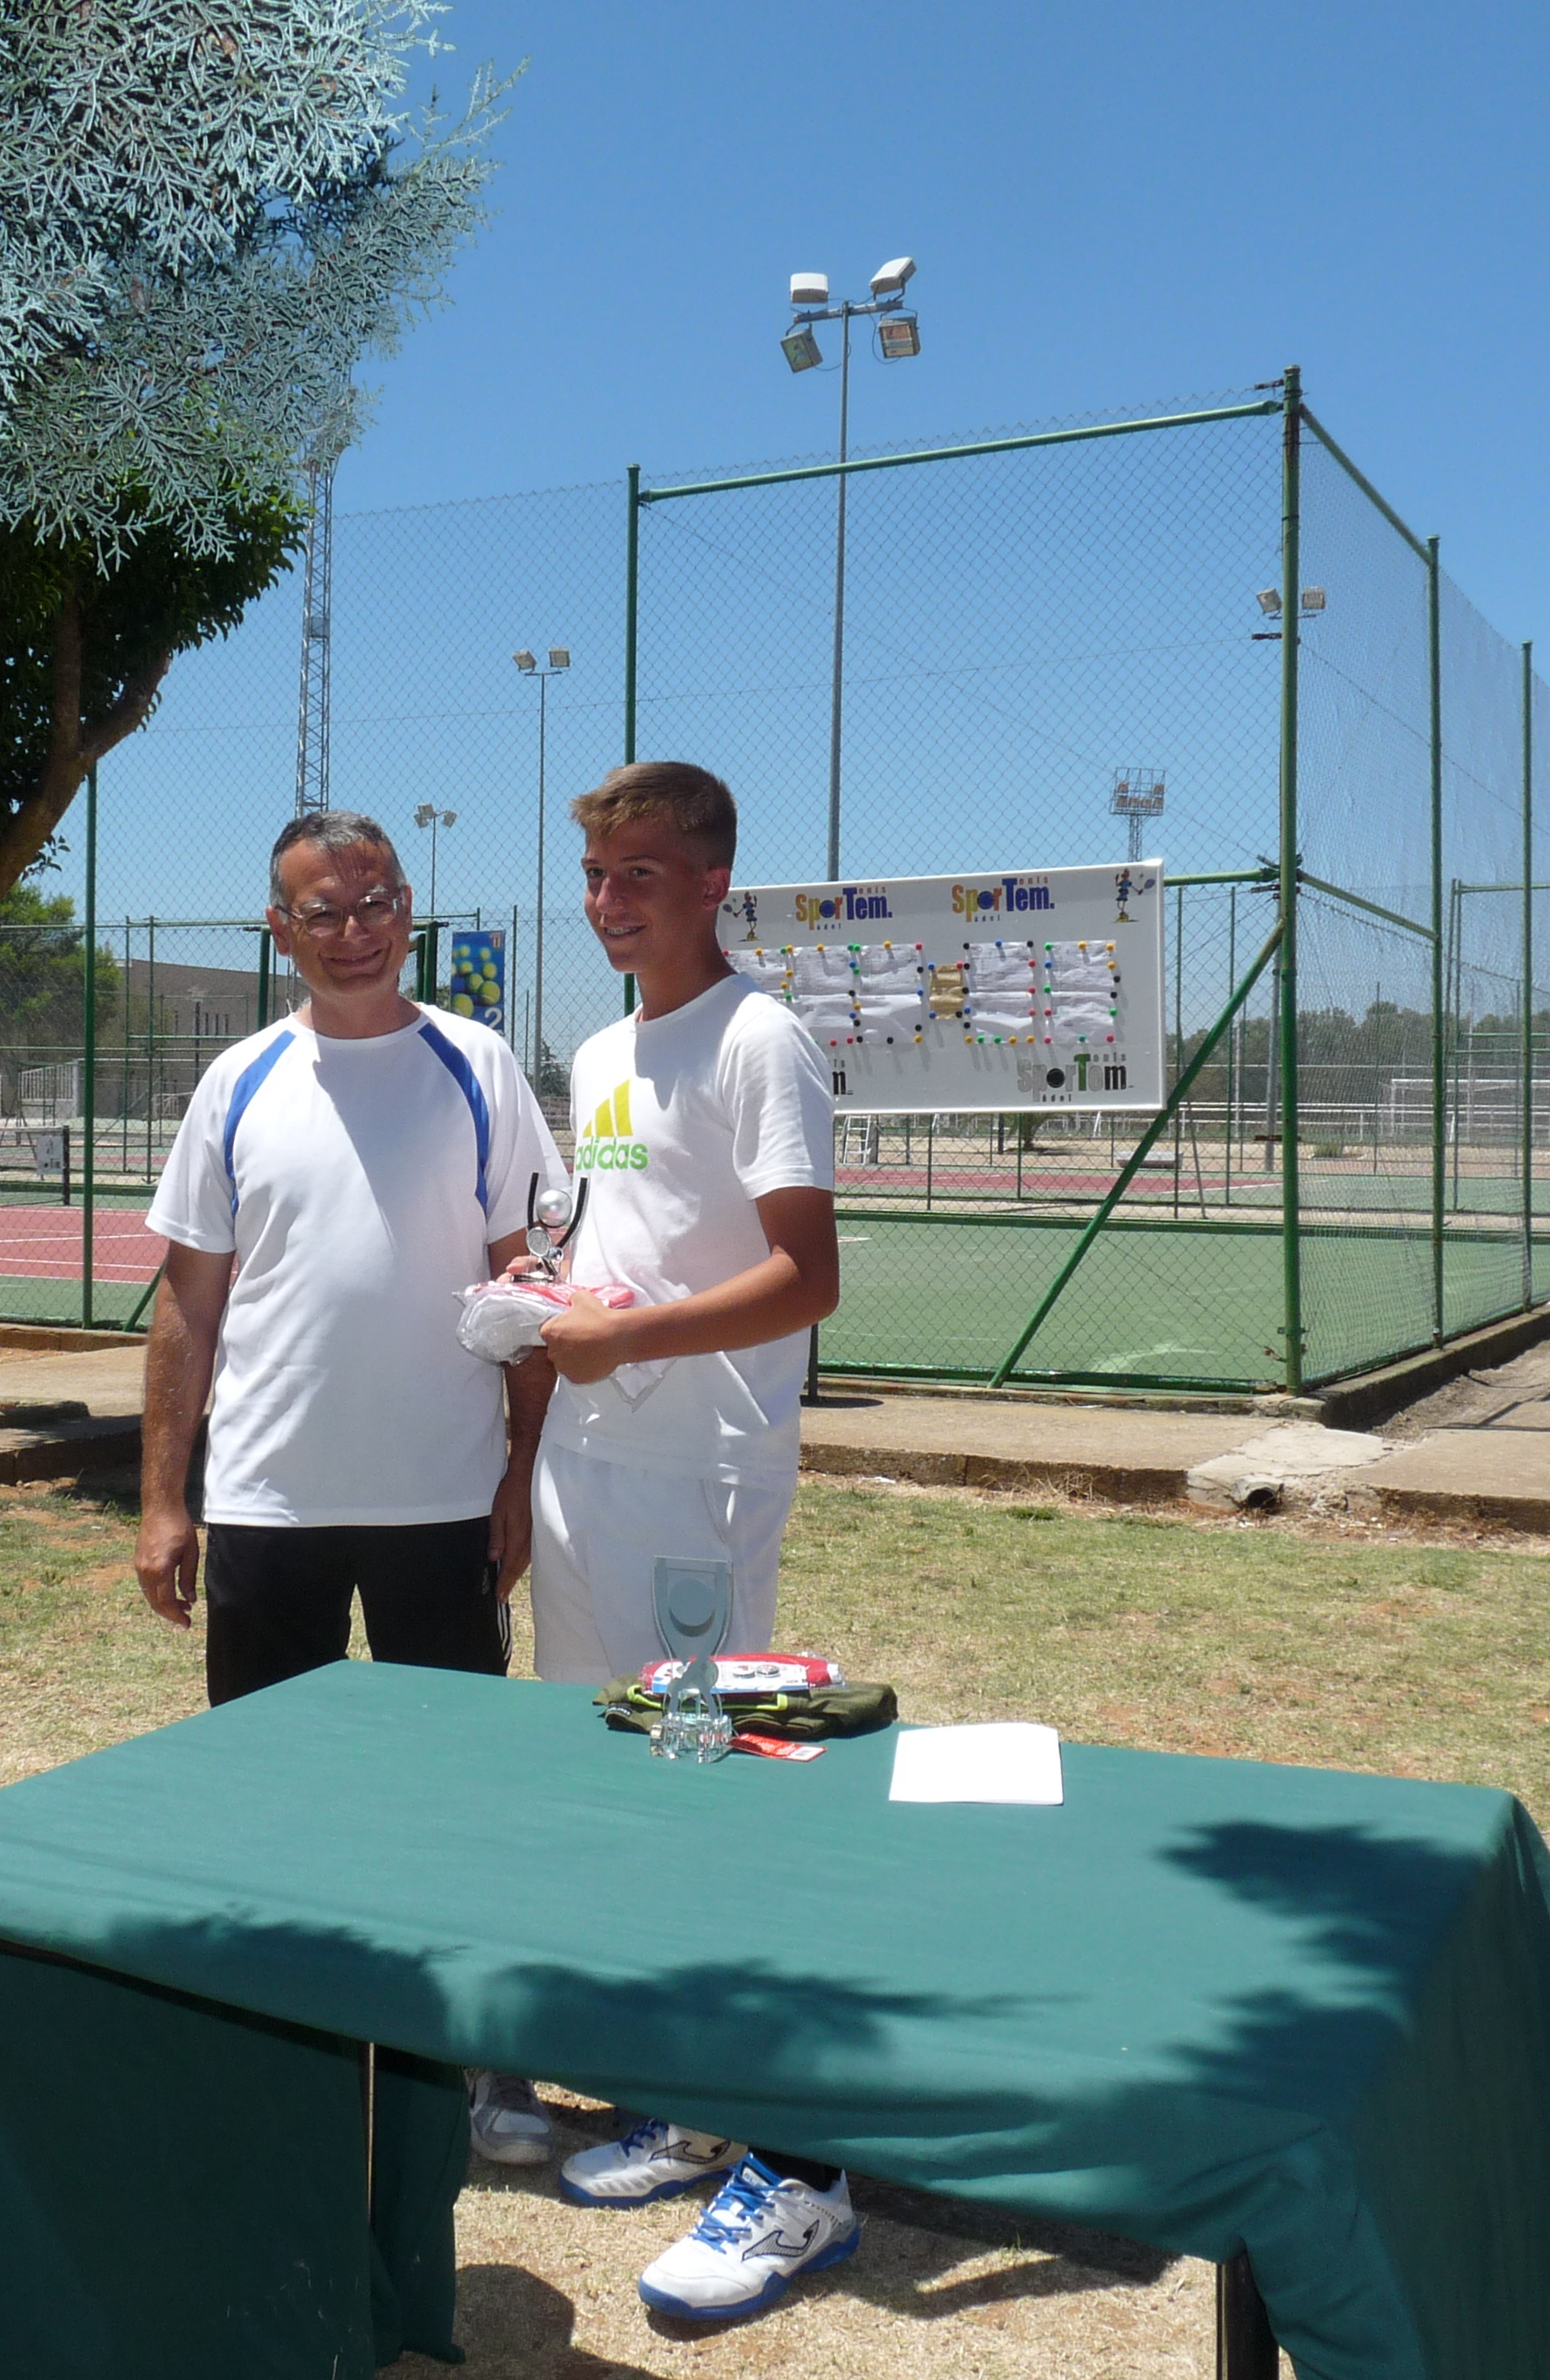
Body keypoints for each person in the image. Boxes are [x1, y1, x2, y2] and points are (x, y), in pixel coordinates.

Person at [134, 809, 566, 2166]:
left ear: (408, 907)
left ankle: (482, 2060)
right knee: (273, 1801)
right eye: (321, 910)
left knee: (460, 1796)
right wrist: (164, 1499)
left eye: (375, 900)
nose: (354, 928)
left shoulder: (477, 1066)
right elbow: (187, 1308)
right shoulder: (238, 1082)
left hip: (443, 1501)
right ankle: (287, 2062)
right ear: (281, 931)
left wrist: (520, 1470)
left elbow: (525, 1287)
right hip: (270, 1504)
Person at [525, 761, 859, 2322]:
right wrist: (554, 1300)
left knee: (704, 1779)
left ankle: (748, 2115)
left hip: (700, 1479)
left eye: (639, 875)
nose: (609, 902)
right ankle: (670, 2082)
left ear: (714, 880)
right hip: (584, 1460)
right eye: (596, 876)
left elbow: (808, 1278)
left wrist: (629, 1334)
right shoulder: (602, 1050)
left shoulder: (761, 1039)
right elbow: (624, 1243)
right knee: (607, 1775)